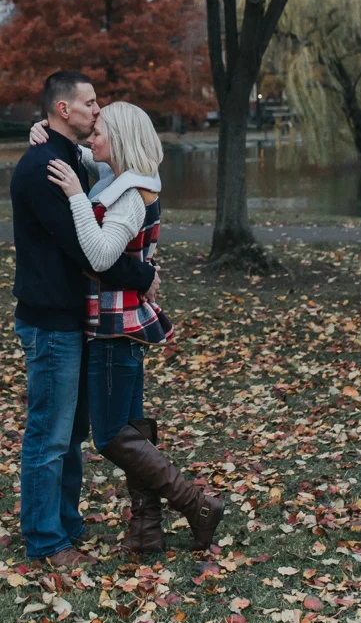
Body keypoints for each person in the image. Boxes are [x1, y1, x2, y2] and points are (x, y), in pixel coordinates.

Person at [32, 103, 224, 553]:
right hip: (116, 324)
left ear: (117, 139)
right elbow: (74, 152)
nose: (90, 139)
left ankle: (196, 503)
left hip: (117, 329)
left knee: (112, 435)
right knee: (133, 430)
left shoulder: (130, 195)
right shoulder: (119, 181)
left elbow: (100, 256)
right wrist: (42, 129)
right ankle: (146, 532)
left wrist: (77, 197)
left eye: (97, 133)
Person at [10, 71, 159, 567]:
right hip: (50, 320)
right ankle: (46, 541)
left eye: (98, 105)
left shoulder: (70, 158)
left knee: (69, 435)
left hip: (73, 318)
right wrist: (142, 274)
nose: (98, 110)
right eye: (89, 103)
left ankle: (66, 529)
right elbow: (86, 251)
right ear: (62, 108)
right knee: (50, 435)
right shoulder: (45, 169)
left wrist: (43, 131)